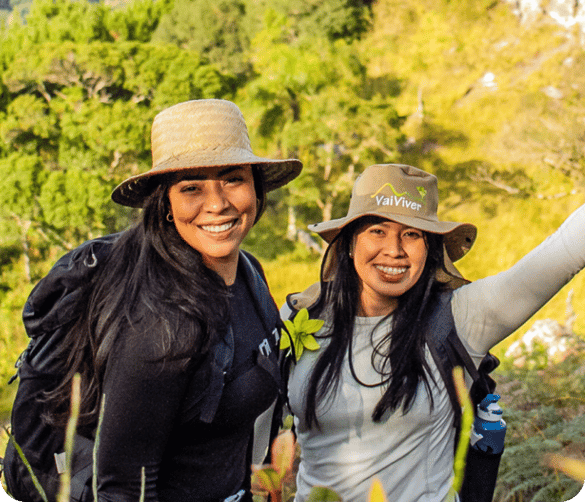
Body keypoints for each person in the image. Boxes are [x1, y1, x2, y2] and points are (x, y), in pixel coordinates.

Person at [15, 98, 302, 502]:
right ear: (165, 203)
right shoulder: (162, 325)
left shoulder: (248, 274)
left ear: (256, 187)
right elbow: (123, 485)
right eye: (191, 188)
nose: (217, 203)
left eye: (232, 179)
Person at [283, 163, 585, 502]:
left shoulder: (460, 317)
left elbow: (563, 251)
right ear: (350, 243)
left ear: (430, 250)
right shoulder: (299, 320)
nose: (394, 249)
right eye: (377, 231)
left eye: (412, 234)